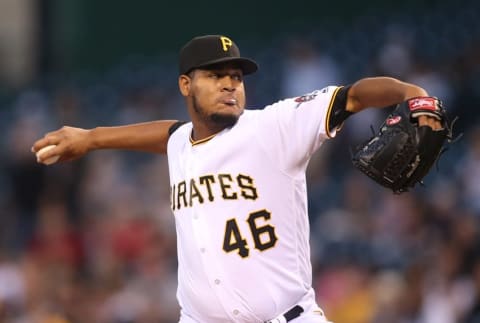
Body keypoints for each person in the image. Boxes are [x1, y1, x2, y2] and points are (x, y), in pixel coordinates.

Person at [32, 35, 442, 323]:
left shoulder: (274, 127)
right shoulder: (180, 144)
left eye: (237, 76)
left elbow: (354, 96)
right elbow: (167, 134)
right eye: (216, 74)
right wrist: (91, 138)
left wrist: (413, 92)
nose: (230, 83)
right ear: (185, 84)